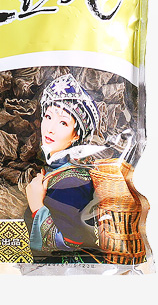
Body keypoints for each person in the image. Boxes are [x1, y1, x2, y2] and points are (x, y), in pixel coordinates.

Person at [25, 73, 105, 253]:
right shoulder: (55, 170)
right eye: (48, 117)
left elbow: (72, 243)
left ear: (76, 136)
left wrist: (36, 206)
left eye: (63, 123)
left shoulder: (72, 181)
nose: (50, 129)